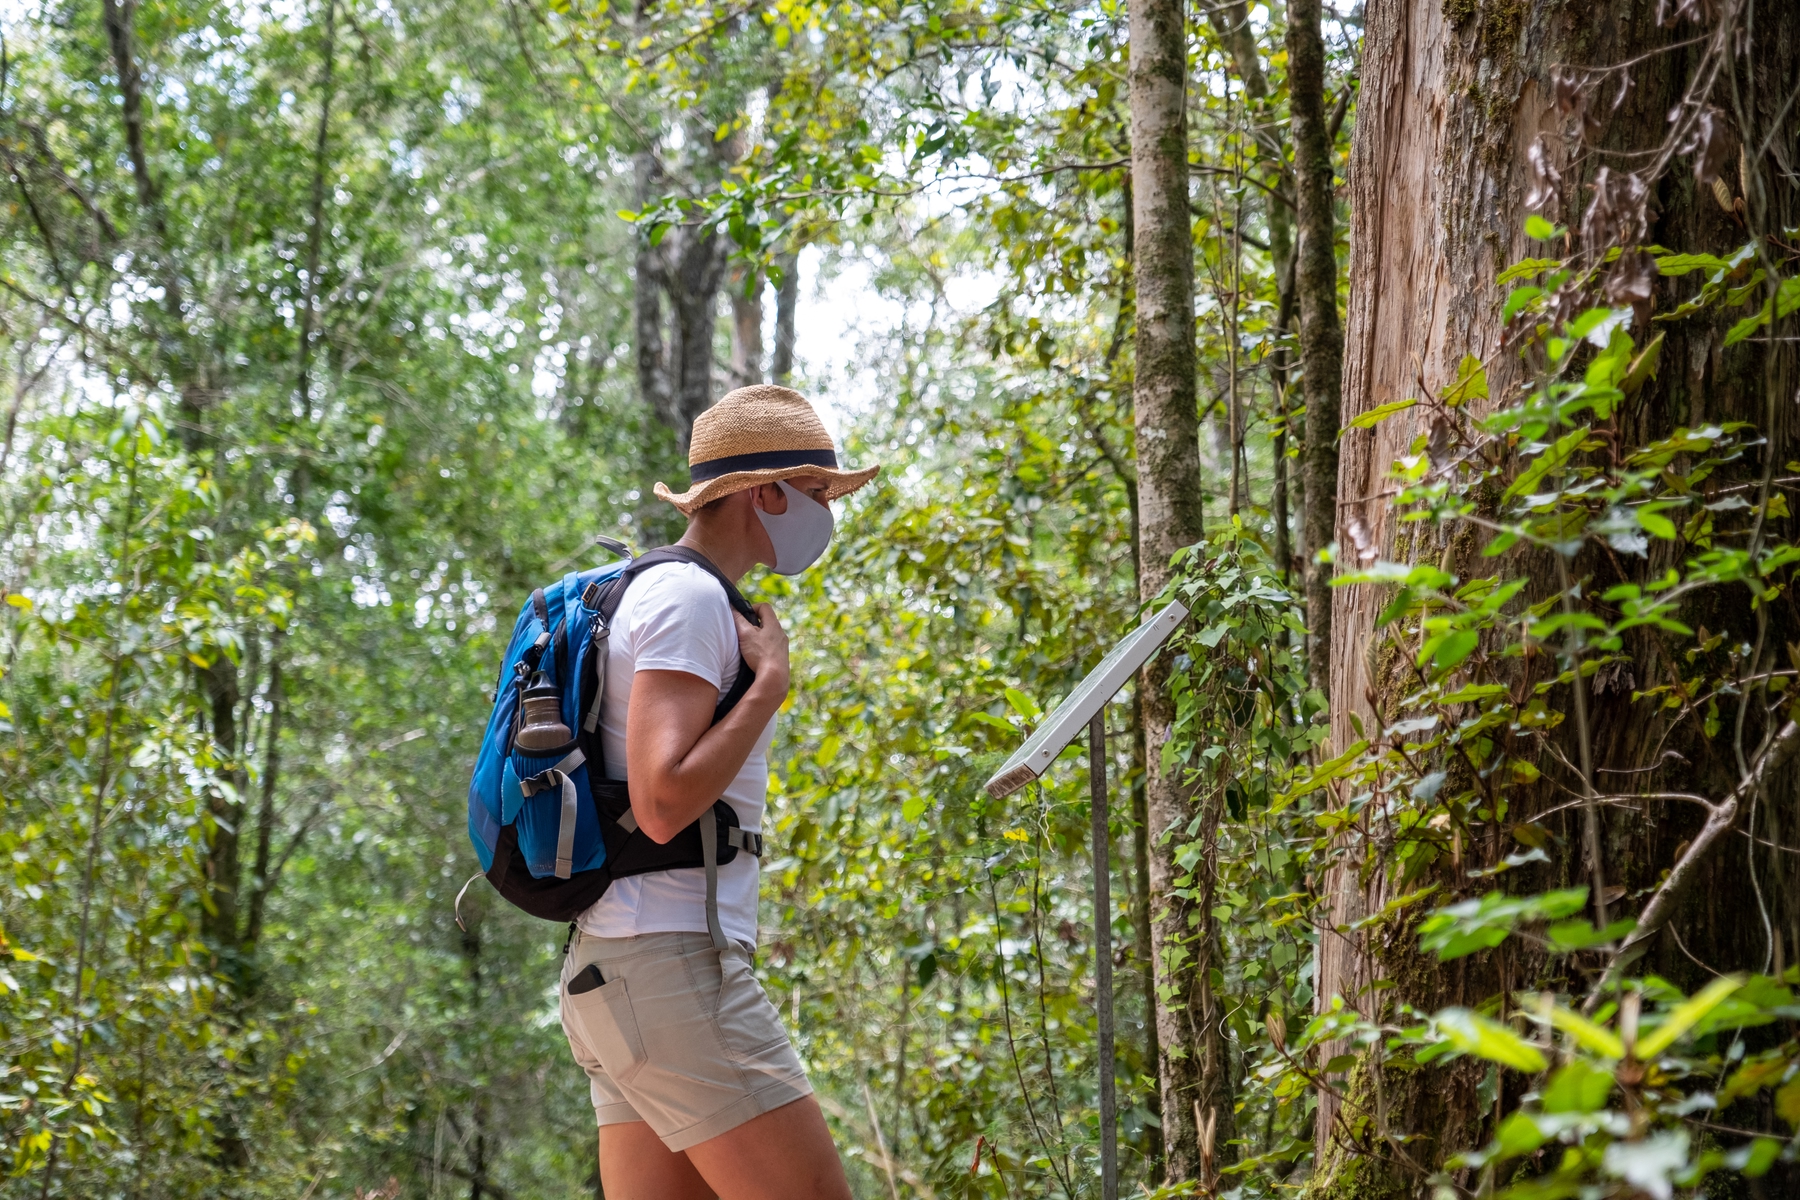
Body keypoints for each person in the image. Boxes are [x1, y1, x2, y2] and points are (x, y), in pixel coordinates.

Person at [558, 385, 876, 1200]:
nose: (826, 513)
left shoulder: (662, 592)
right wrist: (770, 685)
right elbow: (663, 802)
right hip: (670, 972)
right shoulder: (689, 597)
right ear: (765, 492)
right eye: (816, 494)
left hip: (619, 976)